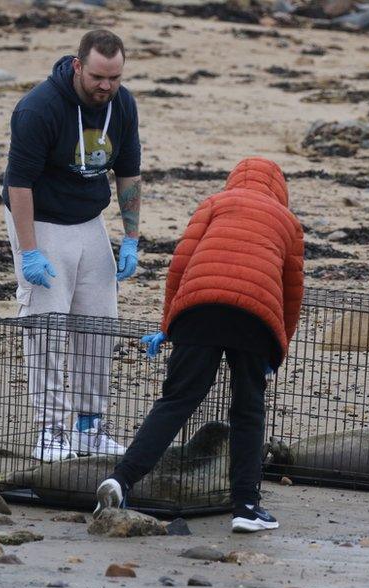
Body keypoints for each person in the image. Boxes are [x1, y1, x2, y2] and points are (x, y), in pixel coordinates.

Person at [94, 157, 304, 534]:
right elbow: (292, 292)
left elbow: (180, 264)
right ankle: (245, 506)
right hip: (255, 316)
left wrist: (168, 325)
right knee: (248, 409)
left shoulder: (213, 204)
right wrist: (279, 347)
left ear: (233, 180)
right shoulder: (287, 221)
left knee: (176, 400)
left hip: (198, 307)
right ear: (279, 191)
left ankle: (121, 480)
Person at [3, 29, 142, 462]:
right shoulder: (38, 108)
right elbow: (18, 184)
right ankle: (51, 430)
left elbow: (129, 173)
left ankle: (89, 427)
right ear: (79, 65)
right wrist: (30, 251)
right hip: (39, 219)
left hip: (89, 220)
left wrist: (131, 239)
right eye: (100, 76)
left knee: (100, 324)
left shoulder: (123, 104)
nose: (107, 86)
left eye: (115, 77)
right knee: (46, 324)